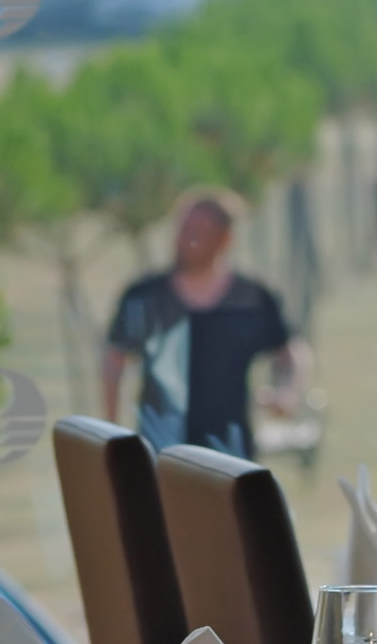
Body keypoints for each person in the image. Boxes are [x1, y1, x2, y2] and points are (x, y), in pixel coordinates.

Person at [102, 191, 305, 457]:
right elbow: (114, 360)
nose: (184, 240)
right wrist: (112, 433)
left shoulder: (252, 299)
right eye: (182, 230)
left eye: (197, 231)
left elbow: (290, 352)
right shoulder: (145, 297)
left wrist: (286, 392)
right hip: (159, 455)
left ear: (224, 239)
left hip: (231, 456)